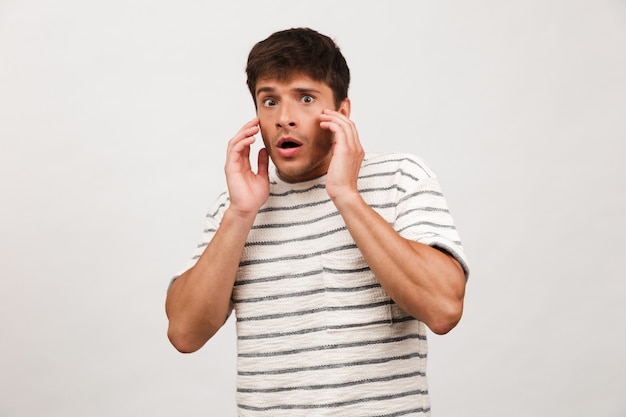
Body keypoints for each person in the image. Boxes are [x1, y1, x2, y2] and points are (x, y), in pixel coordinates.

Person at [165, 27, 469, 416]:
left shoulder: (400, 177)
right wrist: (240, 215)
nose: (284, 118)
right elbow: (184, 334)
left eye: (305, 98)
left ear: (342, 112)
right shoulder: (237, 205)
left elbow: (444, 309)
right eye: (269, 101)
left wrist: (346, 196)